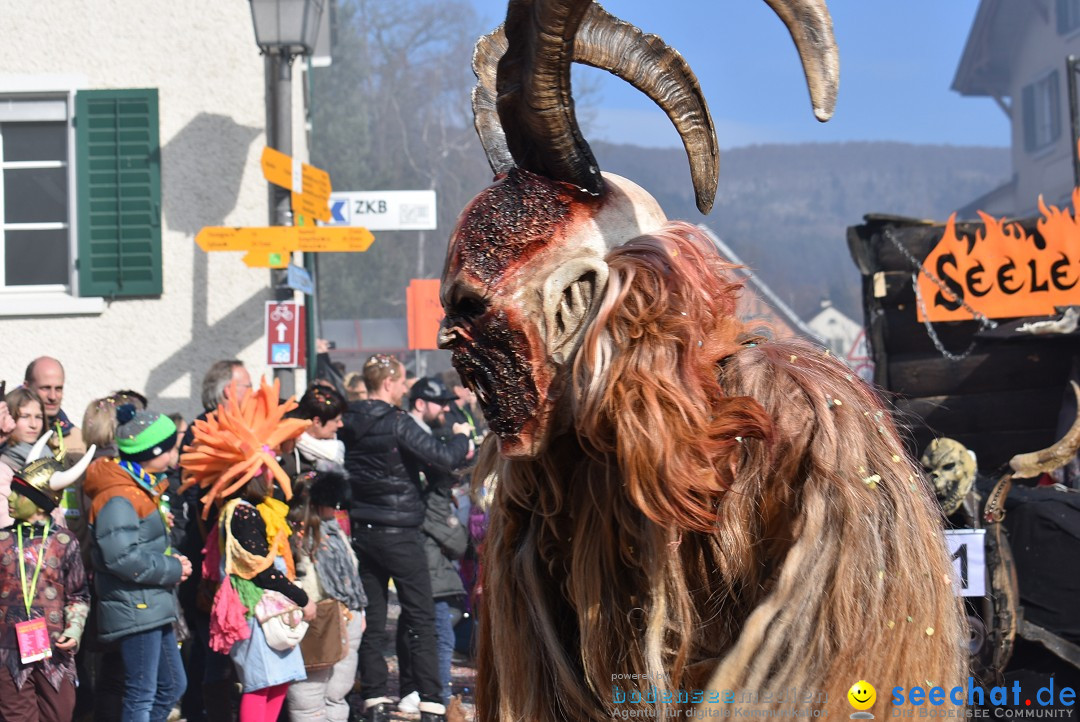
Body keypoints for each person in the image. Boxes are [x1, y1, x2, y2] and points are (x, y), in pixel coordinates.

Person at [340, 356, 473, 722]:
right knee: (421, 616)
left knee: (375, 616)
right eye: (400, 383)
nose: (404, 388)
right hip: (401, 532)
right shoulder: (397, 423)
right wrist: (462, 440)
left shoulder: (348, 422)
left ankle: (374, 697)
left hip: (364, 531)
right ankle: (430, 699)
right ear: (387, 384)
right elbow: (442, 456)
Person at [178, 378, 315, 722]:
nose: (276, 475)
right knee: (260, 683)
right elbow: (259, 568)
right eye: (269, 468)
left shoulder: (250, 508)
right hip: (254, 612)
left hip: (264, 610)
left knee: (277, 682)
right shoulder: (241, 511)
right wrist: (301, 596)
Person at [83, 405, 190, 722]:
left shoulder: (141, 486)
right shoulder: (119, 494)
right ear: (153, 452)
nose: (175, 453)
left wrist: (169, 557)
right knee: (141, 694)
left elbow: (139, 542)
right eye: (170, 447)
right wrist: (172, 568)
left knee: (172, 685)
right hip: (136, 605)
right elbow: (120, 556)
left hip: (151, 602)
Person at [0, 432, 93, 722]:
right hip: (7, 650)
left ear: (40, 503)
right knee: (16, 716)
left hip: (54, 649)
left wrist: (74, 629)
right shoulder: (2, 541)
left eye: (19, 492)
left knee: (59, 714)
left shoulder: (65, 542)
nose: (10, 497)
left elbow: (79, 594)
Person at [177, 359, 252, 722]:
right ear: (229, 392)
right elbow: (196, 498)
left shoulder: (238, 426)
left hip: (234, 553)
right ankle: (201, 712)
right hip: (210, 554)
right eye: (248, 387)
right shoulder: (204, 430)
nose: (253, 394)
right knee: (211, 645)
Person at [396, 377, 469, 712]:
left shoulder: (423, 440)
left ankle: (417, 691)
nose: (446, 409)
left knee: (421, 624)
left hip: (424, 554)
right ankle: (433, 696)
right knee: (438, 631)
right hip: (426, 558)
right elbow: (441, 525)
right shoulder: (418, 443)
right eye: (440, 403)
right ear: (421, 403)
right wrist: (467, 544)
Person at [286, 471, 367, 721]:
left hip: (346, 619)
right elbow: (304, 583)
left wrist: (359, 611)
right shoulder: (295, 535)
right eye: (333, 503)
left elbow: (351, 572)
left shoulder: (333, 531)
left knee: (337, 693)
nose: (337, 509)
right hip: (317, 622)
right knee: (307, 698)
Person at [1, 387, 47, 529]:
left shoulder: (48, 460)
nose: (33, 425)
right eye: (25, 416)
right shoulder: (3, 470)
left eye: (38, 417)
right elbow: (6, 529)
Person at [24, 357, 86, 458]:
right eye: (45, 388)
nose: (52, 396)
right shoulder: (7, 434)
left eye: (58, 389)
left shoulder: (79, 439)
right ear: (26, 387)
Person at [286, 386, 347, 478]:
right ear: (317, 422)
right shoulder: (287, 451)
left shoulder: (335, 449)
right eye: (336, 421)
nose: (341, 425)